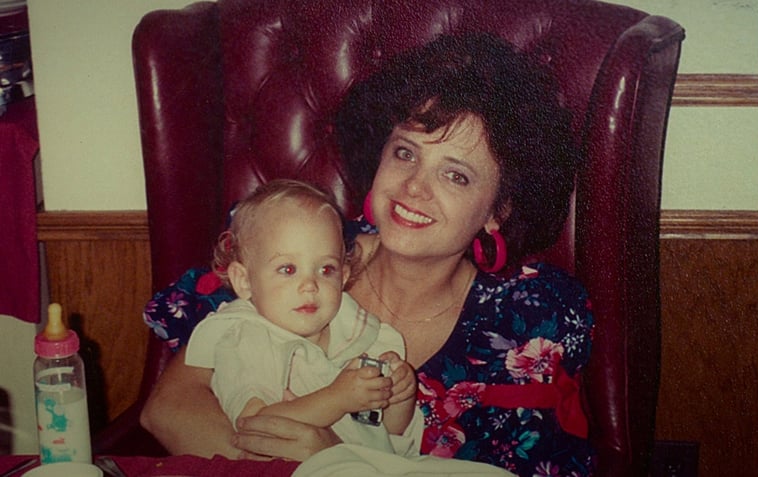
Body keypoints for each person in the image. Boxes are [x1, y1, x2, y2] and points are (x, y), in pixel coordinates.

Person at [141, 32, 595, 477]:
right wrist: (289, 467)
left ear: (499, 209)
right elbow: (168, 408)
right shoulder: (298, 253)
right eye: (405, 152)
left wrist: (336, 457)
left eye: (455, 176)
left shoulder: (531, 317)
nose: (414, 187)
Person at [181, 179, 419, 455]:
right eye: (288, 269)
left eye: (325, 270)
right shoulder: (246, 339)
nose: (310, 285)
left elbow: (388, 435)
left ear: (343, 276)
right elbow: (255, 426)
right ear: (244, 281)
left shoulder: (361, 333)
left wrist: (399, 396)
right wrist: (338, 398)